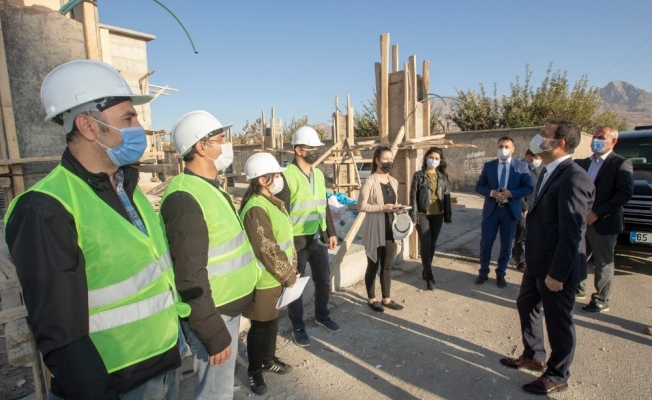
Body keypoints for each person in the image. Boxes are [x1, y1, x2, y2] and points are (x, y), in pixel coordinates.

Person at [4, 60, 188, 399]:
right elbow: (60, 335)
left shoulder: (127, 188)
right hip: (114, 383)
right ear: (88, 126)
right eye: (128, 119)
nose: (139, 128)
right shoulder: (44, 209)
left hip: (162, 361)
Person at [160, 110, 258, 400]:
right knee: (215, 393)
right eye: (221, 139)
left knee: (220, 388)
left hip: (225, 309)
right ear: (201, 146)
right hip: (214, 314)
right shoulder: (184, 197)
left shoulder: (209, 188)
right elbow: (189, 274)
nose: (227, 144)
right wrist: (212, 331)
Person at [499, 119, 594, 395]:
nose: (537, 137)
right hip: (537, 261)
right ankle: (534, 354)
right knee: (526, 303)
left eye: (544, 134)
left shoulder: (574, 177)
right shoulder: (549, 171)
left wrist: (557, 273)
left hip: (556, 268)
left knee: (558, 321)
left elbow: (573, 233)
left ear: (559, 143)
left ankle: (557, 374)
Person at [239, 153, 297, 395]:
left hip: (277, 278)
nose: (279, 179)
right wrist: (288, 274)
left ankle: (268, 359)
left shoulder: (270, 202)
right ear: (262, 180)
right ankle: (254, 371)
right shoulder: (255, 208)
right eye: (276, 175)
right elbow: (267, 248)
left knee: (272, 322)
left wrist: (291, 268)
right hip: (264, 280)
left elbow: (283, 240)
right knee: (261, 327)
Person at [275, 126, 340, 347]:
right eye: (311, 147)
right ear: (298, 149)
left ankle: (322, 315)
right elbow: (281, 213)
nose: (315, 151)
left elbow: (323, 205)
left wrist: (331, 232)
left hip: (317, 237)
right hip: (296, 241)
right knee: (295, 285)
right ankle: (298, 326)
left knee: (323, 279)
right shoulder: (286, 175)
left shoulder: (318, 174)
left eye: (315, 147)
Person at [574, 126, 634, 313]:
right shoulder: (584, 163)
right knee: (578, 257)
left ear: (613, 141)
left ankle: (601, 299)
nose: (595, 140)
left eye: (601, 137)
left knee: (603, 262)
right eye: (594, 136)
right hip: (581, 220)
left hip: (604, 222)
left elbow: (624, 194)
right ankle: (578, 288)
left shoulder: (620, 164)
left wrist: (597, 213)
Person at [475, 137, 533, 287]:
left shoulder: (521, 166)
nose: (503, 149)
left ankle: (501, 273)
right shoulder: (489, 166)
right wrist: (492, 193)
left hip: (510, 212)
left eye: (507, 147)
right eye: (501, 146)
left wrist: (511, 193)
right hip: (491, 211)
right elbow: (479, 186)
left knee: (506, 246)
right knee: (486, 243)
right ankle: (483, 272)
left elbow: (528, 188)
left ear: (513, 149)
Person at [358, 146, 404, 312]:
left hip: (391, 229)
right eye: (385, 159)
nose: (389, 162)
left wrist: (399, 209)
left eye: (391, 159)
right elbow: (361, 206)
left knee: (387, 265)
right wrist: (381, 208)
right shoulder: (370, 181)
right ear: (377, 161)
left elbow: (393, 203)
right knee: (373, 265)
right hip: (375, 229)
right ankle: (372, 299)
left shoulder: (393, 182)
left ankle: (386, 299)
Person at [409, 146, 452, 290]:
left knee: (432, 244)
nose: (433, 160)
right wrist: (414, 216)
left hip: (438, 215)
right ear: (426, 158)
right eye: (431, 157)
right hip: (423, 214)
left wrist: (448, 216)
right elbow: (413, 197)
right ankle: (429, 275)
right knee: (426, 244)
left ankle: (426, 268)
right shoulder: (418, 175)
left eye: (436, 158)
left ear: (440, 161)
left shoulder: (442, 177)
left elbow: (447, 197)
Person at [511, 149, 542, 272]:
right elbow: (516, 189)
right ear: (529, 156)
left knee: (528, 233)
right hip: (522, 207)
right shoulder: (519, 168)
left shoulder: (534, 169)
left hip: (532, 207)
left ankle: (516, 253)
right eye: (538, 157)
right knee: (522, 233)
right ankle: (521, 262)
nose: (539, 160)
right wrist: (524, 206)